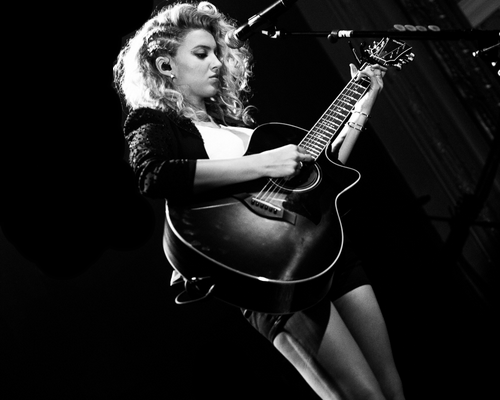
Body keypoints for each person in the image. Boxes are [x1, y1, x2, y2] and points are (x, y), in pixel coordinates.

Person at [113, 2, 405, 399]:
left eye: (217, 52)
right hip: (270, 276)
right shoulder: (153, 122)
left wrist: (362, 104)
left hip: (326, 252)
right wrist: (264, 162)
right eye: (201, 53)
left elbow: (324, 174)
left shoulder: (237, 128)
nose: (217, 62)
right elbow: (154, 174)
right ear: (166, 66)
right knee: (364, 396)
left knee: (392, 389)